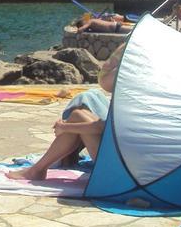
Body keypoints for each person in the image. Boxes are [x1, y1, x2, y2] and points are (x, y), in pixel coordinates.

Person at [7, 44, 125, 181]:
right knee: (78, 113)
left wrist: (64, 127)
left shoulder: (133, 97)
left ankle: (39, 169)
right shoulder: (143, 96)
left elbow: (101, 127)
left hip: (122, 170)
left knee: (77, 116)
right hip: (130, 161)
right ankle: (44, 166)